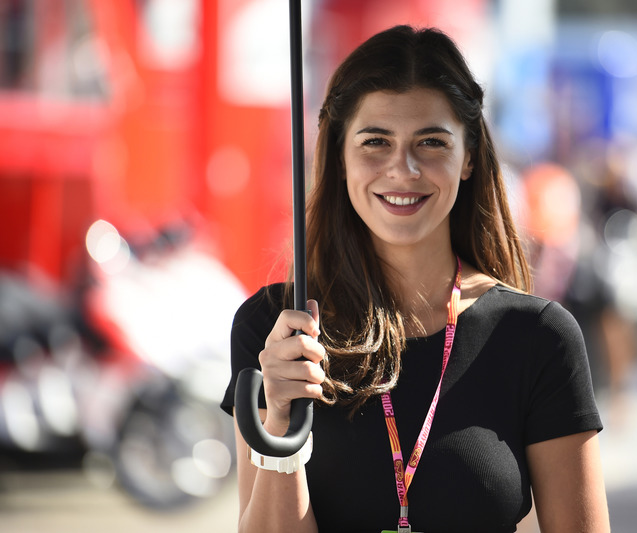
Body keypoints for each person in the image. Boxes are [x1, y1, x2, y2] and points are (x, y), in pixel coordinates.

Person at [221, 25, 610, 533]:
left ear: (468, 156)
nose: (402, 169)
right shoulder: (277, 331)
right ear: (339, 156)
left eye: (430, 142)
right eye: (375, 142)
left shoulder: (538, 337)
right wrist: (278, 426)